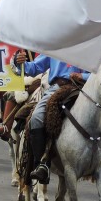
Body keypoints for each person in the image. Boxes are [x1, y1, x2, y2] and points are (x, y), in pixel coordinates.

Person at [11, 51, 91, 183]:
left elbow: (99, 73)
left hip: (84, 88)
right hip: (58, 88)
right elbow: (34, 68)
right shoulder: (55, 46)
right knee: (36, 118)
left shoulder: (88, 45)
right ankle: (41, 164)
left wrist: (82, 75)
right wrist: (19, 63)